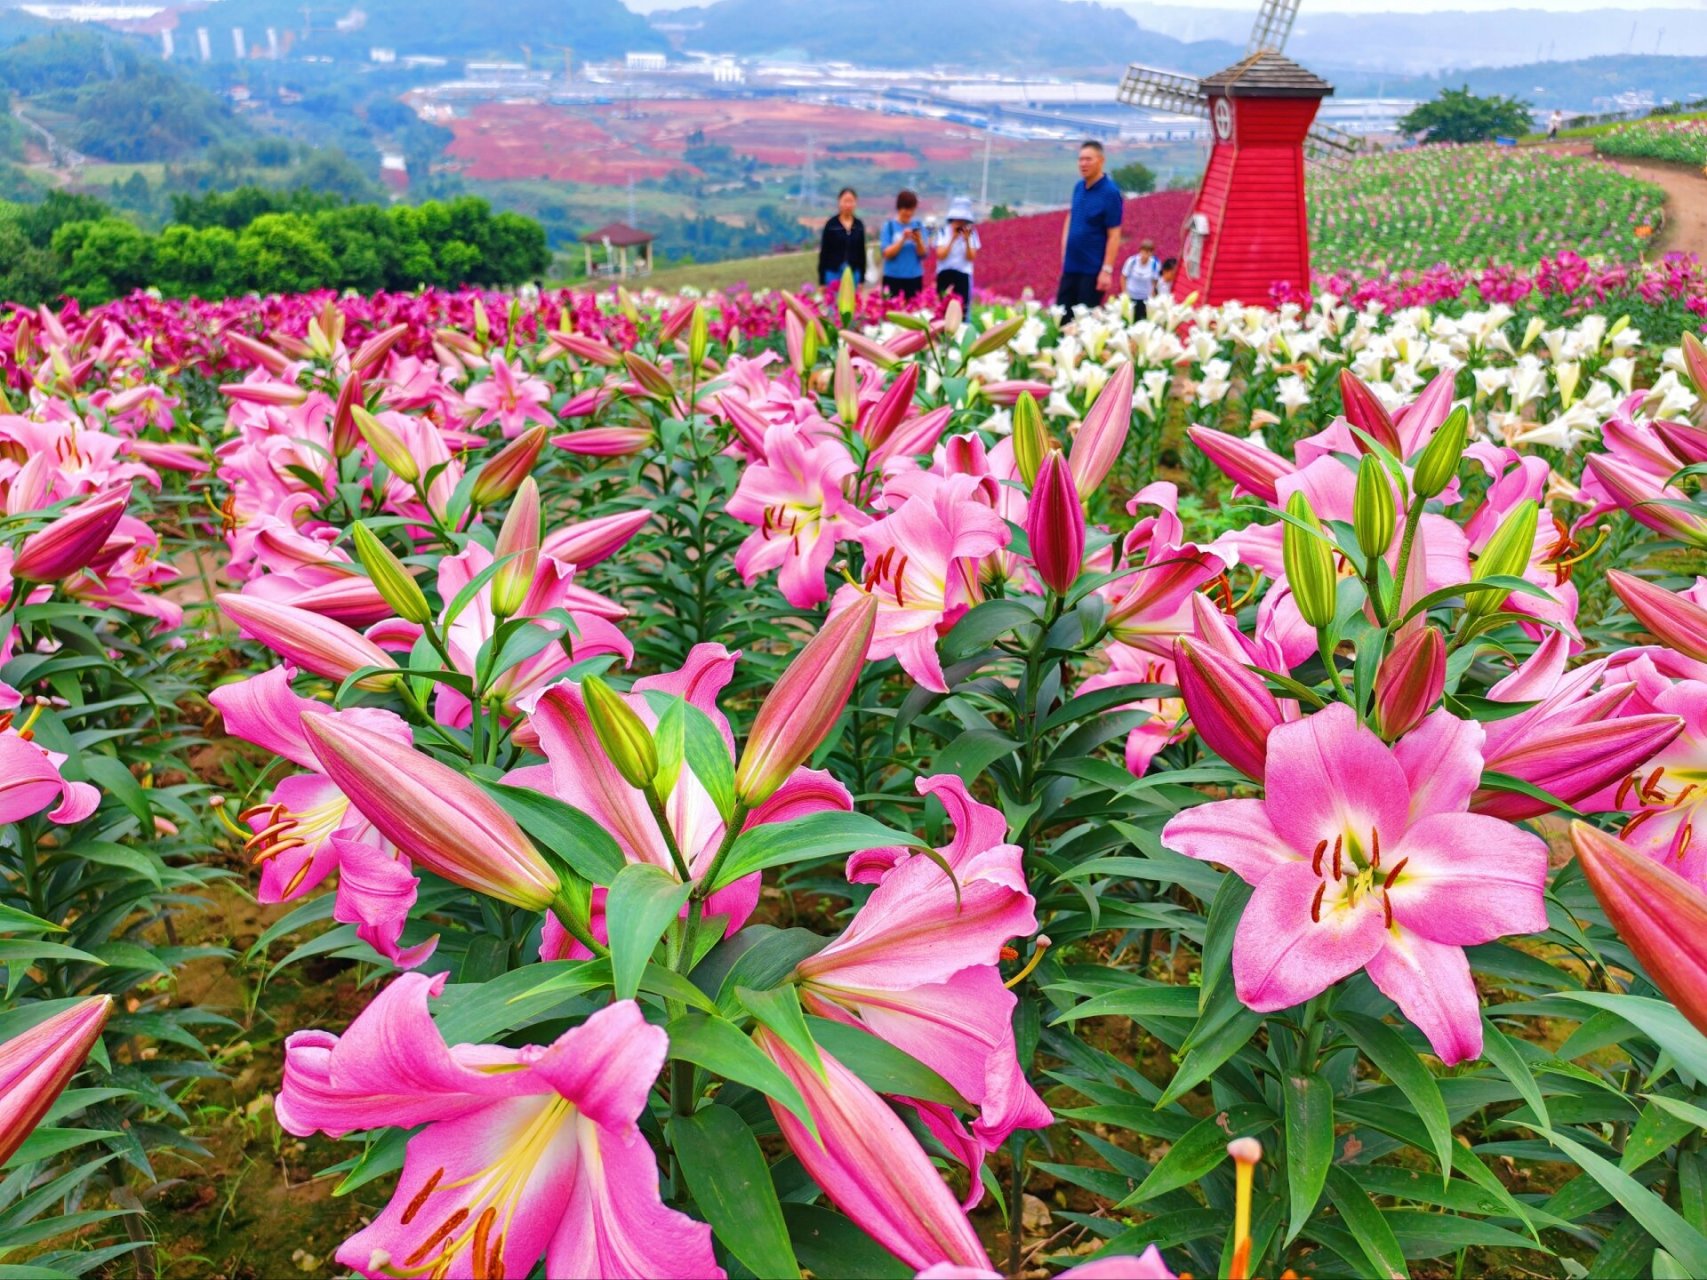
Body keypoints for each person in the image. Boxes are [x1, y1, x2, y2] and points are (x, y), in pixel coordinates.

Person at [1056, 140, 1123, 313]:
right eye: (1080, 159)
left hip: (1091, 271)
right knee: (1062, 317)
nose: (1083, 164)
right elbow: (1071, 217)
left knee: (1083, 323)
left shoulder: (1110, 193)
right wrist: (1064, 252)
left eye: (1088, 159)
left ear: (1101, 161)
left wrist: (1106, 271)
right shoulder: (1078, 188)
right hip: (1071, 267)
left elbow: (1114, 235)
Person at [880, 190, 928, 300]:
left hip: (914, 277)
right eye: (906, 209)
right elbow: (886, 253)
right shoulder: (889, 226)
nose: (908, 213)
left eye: (912, 209)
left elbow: (923, 254)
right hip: (892, 277)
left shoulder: (918, 226)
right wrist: (902, 239)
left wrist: (919, 240)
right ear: (899, 208)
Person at [934, 195, 979, 305]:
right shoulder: (943, 232)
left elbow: (971, 257)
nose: (960, 223)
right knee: (942, 306)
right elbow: (940, 255)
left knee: (961, 308)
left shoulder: (972, 234)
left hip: (962, 274)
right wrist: (952, 239)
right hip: (945, 273)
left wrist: (967, 241)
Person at [818, 187, 866, 287]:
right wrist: (822, 280)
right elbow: (824, 252)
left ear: (855, 203)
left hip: (854, 273)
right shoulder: (831, 225)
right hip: (833, 273)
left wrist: (862, 278)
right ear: (839, 202)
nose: (848, 205)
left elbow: (862, 252)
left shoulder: (858, 225)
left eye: (851, 201)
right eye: (845, 201)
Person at [1120, 237, 1161, 319]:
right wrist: (1125, 292)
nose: (1146, 254)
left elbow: (1155, 280)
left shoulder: (1155, 264)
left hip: (1144, 298)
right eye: (1145, 251)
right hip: (1130, 296)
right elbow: (1123, 277)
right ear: (1140, 250)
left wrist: (1152, 294)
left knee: (1141, 319)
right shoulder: (1132, 261)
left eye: (1149, 252)